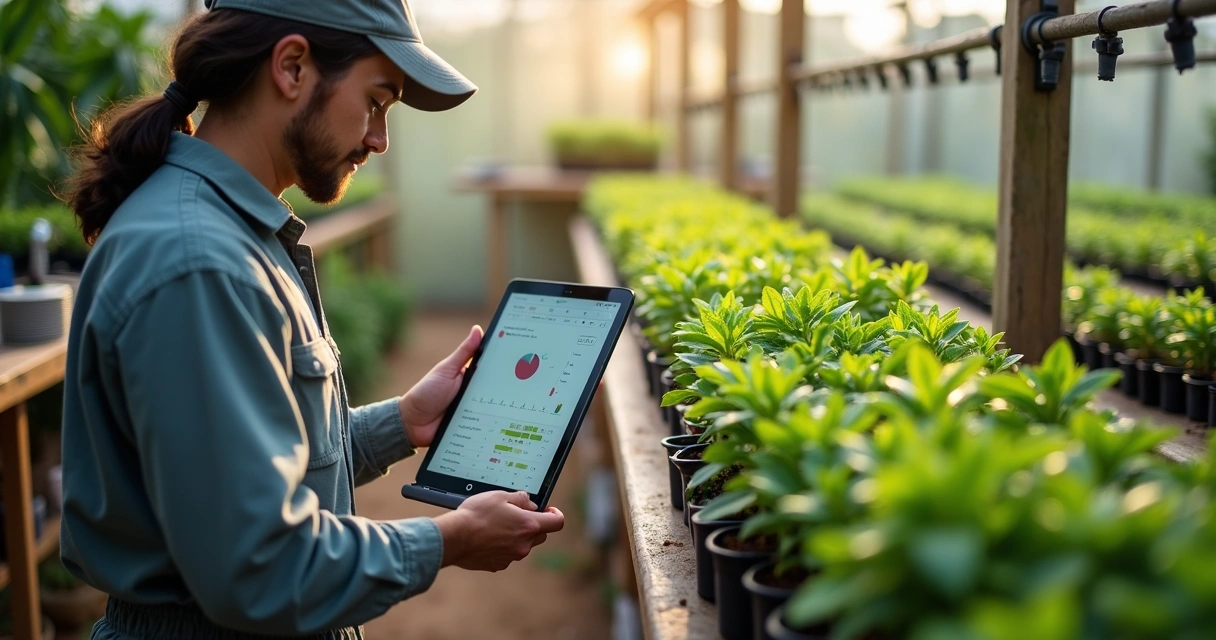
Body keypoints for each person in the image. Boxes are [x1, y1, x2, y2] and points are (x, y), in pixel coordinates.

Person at [58, 1, 565, 638]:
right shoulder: (200, 264)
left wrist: (403, 422)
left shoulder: (234, 234)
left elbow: (255, 473)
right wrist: (449, 540)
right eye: (377, 101)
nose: (380, 138)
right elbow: (260, 567)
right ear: (292, 67)